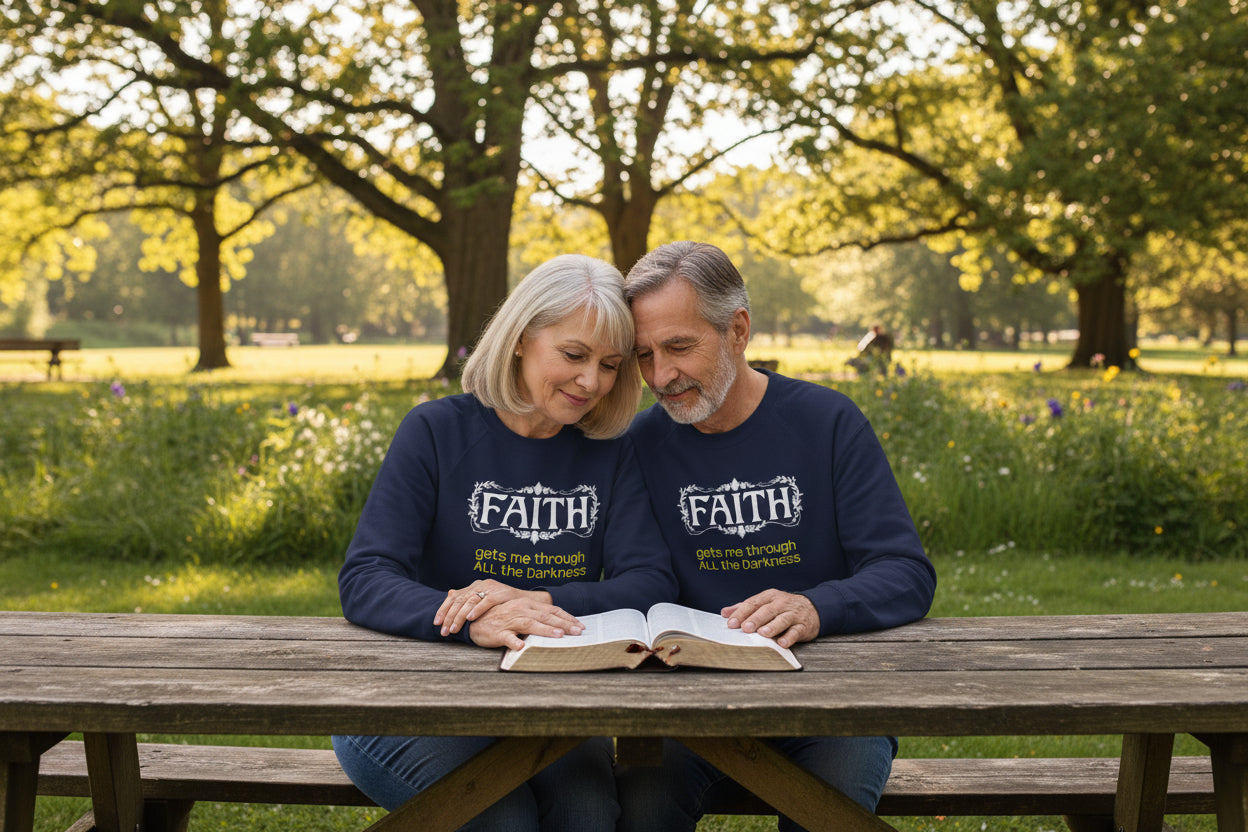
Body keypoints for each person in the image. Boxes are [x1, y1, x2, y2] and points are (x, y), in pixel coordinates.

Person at [332, 254, 677, 832]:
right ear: (519, 338)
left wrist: (534, 601)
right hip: (411, 701)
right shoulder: (436, 432)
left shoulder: (612, 453)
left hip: (555, 707)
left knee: (586, 813)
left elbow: (650, 581)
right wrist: (472, 620)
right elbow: (367, 576)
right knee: (503, 817)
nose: (591, 381)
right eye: (573, 355)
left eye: (611, 365)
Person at [617, 241, 936, 832]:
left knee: (829, 813)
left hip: (829, 699)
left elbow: (905, 571)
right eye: (644, 354)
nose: (660, 376)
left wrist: (817, 606)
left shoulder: (828, 423)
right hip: (688, 702)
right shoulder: (638, 446)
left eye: (680, 347)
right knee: (641, 807)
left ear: (737, 331)